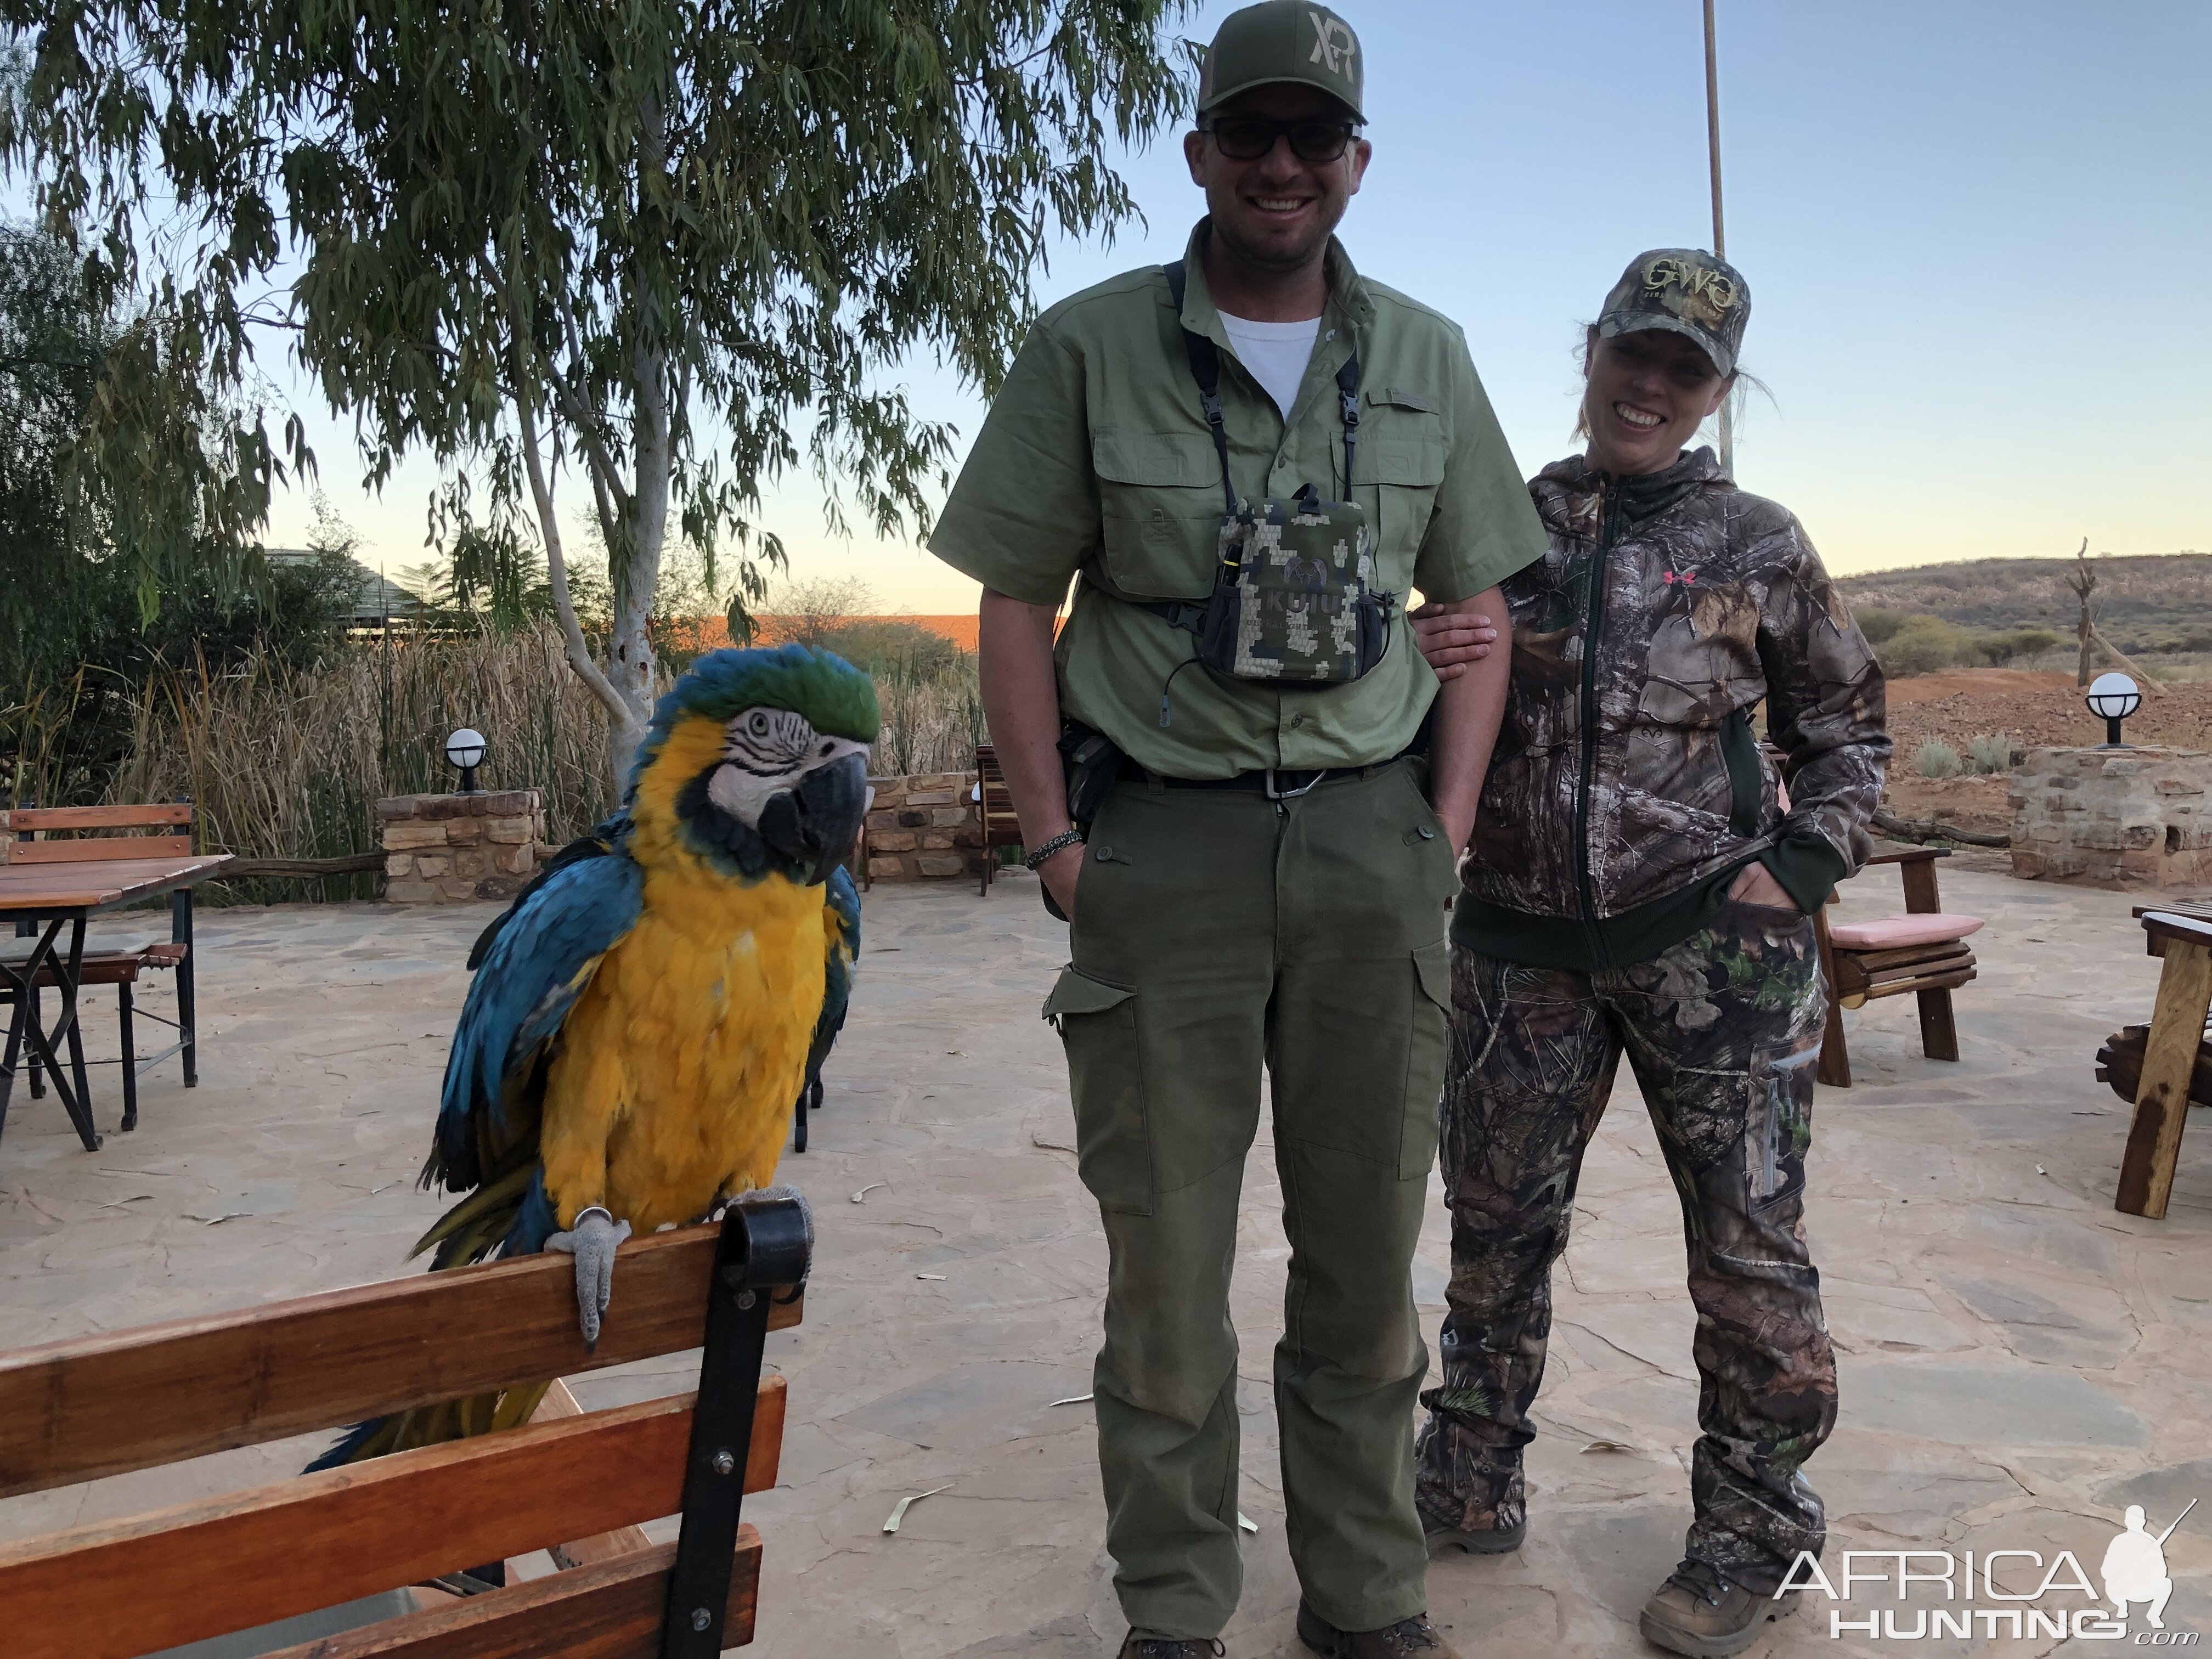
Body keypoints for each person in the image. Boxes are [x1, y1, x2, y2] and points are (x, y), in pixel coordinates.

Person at [926, 5, 1546, 1653]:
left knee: (1364, 1263)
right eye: (1250, 136)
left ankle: (1366, 1599)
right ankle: (1177, 1611)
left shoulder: (1425, 354)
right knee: (1169, 1278)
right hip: (1166, 850)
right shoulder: (1087, 344)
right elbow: (1011, 600)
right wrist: (1053, 836)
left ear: (1356, 162)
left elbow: (1477, 594)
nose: (1283, 166)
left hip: (1368, 847)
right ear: (1198, 152)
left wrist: (1450, 823)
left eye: (1315, 139)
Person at [1406, 250, 1889, 1659]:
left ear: (1716, 390)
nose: (1654, 385)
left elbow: (1846, 728)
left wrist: (1798, 873)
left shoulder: (1759, 539)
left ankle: (1753, 1528)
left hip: (1712, 954)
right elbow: (1428, 676)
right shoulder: (1508, 517)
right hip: (1515, 946)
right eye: (1638, 353)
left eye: (1687, 368)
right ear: (1596, 351)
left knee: (1748, 1253)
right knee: (1494, 1236)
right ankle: (1467, 1477)